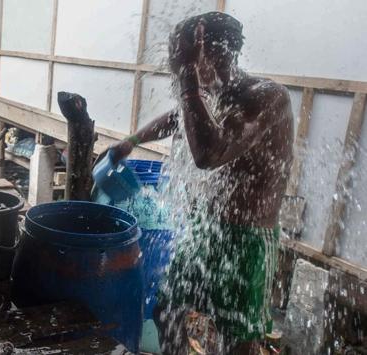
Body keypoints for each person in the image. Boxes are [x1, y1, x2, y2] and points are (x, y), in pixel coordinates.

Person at [110, 12, 294, 355]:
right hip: (207, 228)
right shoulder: (214, 95)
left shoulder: (267, 97)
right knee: (167, 310)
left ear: (215, 53)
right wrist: (133, 140)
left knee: (236, 339)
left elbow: (210, 154)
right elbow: (178, 116)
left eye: (183, 56)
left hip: (248, 241)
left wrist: (187, 79)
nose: (176, 64)